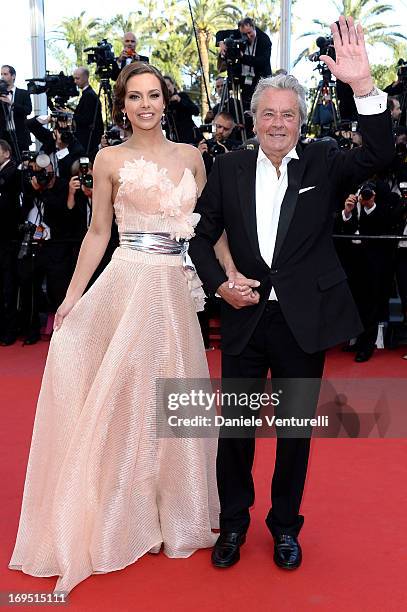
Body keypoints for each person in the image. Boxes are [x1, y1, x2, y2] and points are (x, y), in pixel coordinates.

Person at [189, 17, 394, 570]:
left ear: (301, 120)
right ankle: (232, 524)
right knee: (235, 433)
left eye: (288, 114)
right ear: (253, 119)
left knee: (295, 436)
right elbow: (201, 236)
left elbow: (377, 157)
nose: (278, 123)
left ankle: (285, 526)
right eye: (268, 114)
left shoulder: (325, 161)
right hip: (244, 317)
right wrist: (219, 286)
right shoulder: (227, 167)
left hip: (304, 320)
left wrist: (364, 89)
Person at [9, 63, 219, 594]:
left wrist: (232, 275)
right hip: (130, 285)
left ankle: (175, 510)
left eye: (153, 95)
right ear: (122, 104)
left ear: (166, 100)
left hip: (177, 292)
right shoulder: (109, 159)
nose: (145, 104)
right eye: (135, 97)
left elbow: (208, 231)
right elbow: (98, 231)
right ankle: (124, 513)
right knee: (125, 401)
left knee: (177, 400)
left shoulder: (193, 158)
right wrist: (72, 297)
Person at [0, 65, 32, 157]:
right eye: (1, 74)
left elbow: (28, 110)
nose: (2, 77)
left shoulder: (23, 93)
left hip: (20, 135)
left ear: (13, 76)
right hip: (3, 136)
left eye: (5, 74)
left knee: (22, 163)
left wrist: (12, 103)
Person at [73, 67, 104, 158]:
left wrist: (71, 116)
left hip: (89, 141)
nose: (75, 81)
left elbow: (87, 119)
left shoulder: (89, 95)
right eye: (74, 78)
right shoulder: (88, 94)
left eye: (77, 78)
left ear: (86, 78)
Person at [164, 75, 200, 144]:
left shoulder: (182, 96)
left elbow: (196, 111)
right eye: (164, 87)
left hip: (189, 140)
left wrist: (180, 100)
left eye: (168, 85)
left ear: (173, 85)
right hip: (173, 143)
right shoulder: (163, 104)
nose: (167, 89)